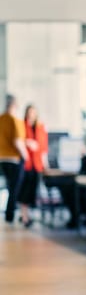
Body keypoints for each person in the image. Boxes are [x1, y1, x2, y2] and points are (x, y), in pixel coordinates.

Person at [18, 104, 49, 228]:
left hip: (37, 164)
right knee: (24, 191)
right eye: (29, 112)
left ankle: (27, 215)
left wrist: (45, 165)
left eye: (33, 112)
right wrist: (27, 142)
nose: (31, 114)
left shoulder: (41, 128)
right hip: (26, 164)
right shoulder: (22, 126)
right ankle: (25, 216)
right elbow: (17, 140)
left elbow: (44, 148)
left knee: (32, 191)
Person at [0, 94, 28, 225]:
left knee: (10, 186)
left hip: (2, 159)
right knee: (14, 188)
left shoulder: (1, 119)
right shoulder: (15, 120)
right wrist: (26, 155)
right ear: (15, 105)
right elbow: (17, 141)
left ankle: (9, 214)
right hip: (15, 159)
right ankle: (9, 215)